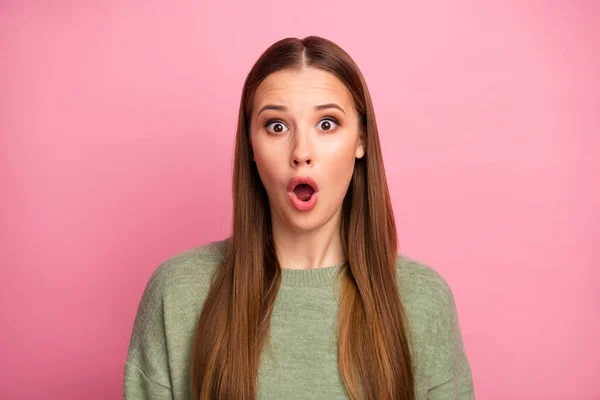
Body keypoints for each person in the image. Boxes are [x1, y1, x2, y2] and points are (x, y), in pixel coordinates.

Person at [124, 36, 475, 400]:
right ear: (251, 148)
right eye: (277, 126)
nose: (301, 153)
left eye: (326, 124)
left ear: (361, 141)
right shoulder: (178, 294)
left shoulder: (423, 301)